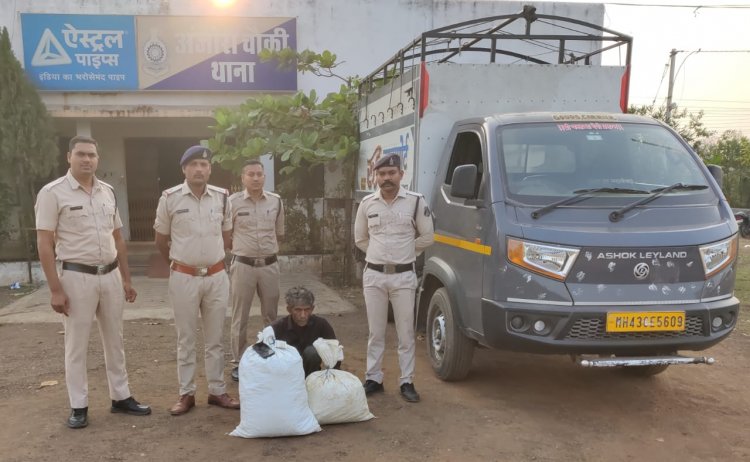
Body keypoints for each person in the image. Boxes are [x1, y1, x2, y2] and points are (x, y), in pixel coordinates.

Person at [35, 135, 151, 429]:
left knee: (116, 339)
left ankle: (121, 397)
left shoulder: (108, 192)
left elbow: (118, 238)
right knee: (76, 345)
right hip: (76, 278)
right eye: (81, 154)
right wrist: (55, 289)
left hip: (110, 275)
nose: (87, 160)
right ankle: (79, 405)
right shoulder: (53, 193)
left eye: (92, 155)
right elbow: (44, 243)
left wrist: (126, 278)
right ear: (69, 157)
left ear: (98, 159)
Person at [154, 145, 240, 416]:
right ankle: (186, 393)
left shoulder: (222, 197)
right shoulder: (169, 198)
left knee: (215, 338)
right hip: (184, 276)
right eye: (193, 165)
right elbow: (160, 239)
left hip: (216, 276)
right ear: (184, 169)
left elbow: (226, 236)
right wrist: (178, 261)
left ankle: (217, 390)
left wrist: (214, 259)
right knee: (186, 338)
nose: (199, 169)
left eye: (204, 165)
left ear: (210, 169)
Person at [354, 153, 434, 403]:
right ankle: (373, 378)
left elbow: (428, 236)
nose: (386, 178)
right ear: (375, 176)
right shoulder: (367, 204)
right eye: (381, 174)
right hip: (374, 276)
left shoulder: (415, 202)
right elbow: (360, 239)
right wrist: (380, 255)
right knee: (375, 332)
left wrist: (406, 253)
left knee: (405, 333)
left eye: (391, 173)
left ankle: (406, 381)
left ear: (401, 174)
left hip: (403, 277)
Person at [228, 159, 284, 382]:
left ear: (264, 176)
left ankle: (270, 355)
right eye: (250, 174)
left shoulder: (276, 201)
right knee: (239, 316)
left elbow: (279, 232)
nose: (255, 178)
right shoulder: (232, 203)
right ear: (243, 178)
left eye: (259, 174)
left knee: (271, 315)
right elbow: (226, 233)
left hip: (269, 265)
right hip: (243, 265)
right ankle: (239, 362)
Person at [271, 286, 339, 377]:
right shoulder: (277, 327)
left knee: (312, 352)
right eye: (298, 310)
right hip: (286, 375)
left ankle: (308, 383)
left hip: (311, 374)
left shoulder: (321, 324)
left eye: (307, 310)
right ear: (289, 310)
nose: (303, 315)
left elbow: (334, 352)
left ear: (312, 309)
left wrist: (333, 377)